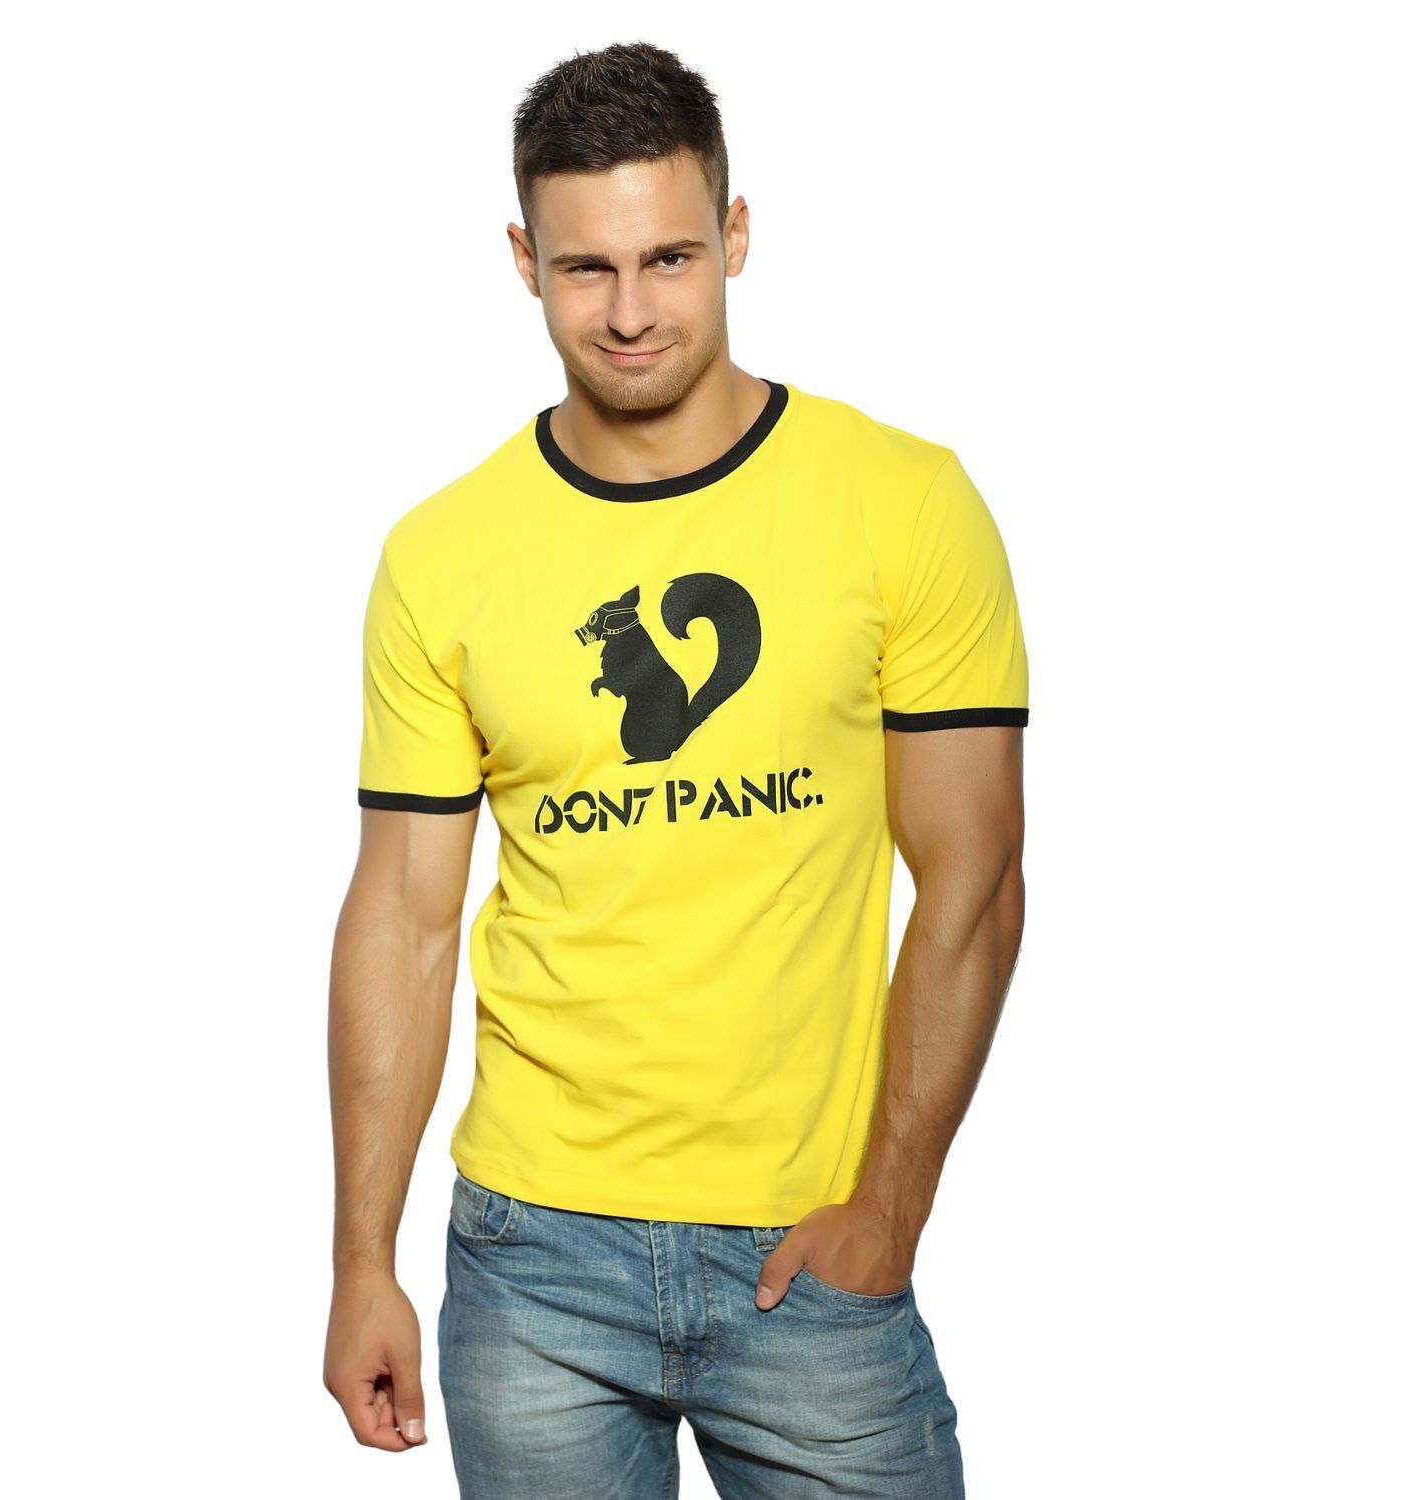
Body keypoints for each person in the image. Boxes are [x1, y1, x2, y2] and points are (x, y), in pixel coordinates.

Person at [323, 39, 1028, 1499]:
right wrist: (360, 1260)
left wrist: (891, 1210)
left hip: (809, 1254)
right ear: (525, 260)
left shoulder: (903, 503)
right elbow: (403, 913)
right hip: (530, 1259)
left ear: (736, 235)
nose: (632, 312)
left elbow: (974, 879)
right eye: (587, 268)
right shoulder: (442, 557)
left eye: (670, 258)